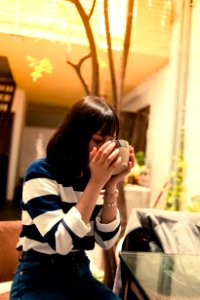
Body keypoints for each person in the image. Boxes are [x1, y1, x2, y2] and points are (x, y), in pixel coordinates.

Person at [10, 95, 134, 300]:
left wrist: (110, 185)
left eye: (110, 141)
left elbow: (106, 241)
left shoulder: (92, 175)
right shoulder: (41, 172)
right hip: (39, 277)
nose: (106, 149)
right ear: (76, 136)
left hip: (81, 274)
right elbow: (62, 242)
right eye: (97, 140)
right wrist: (96, 184)